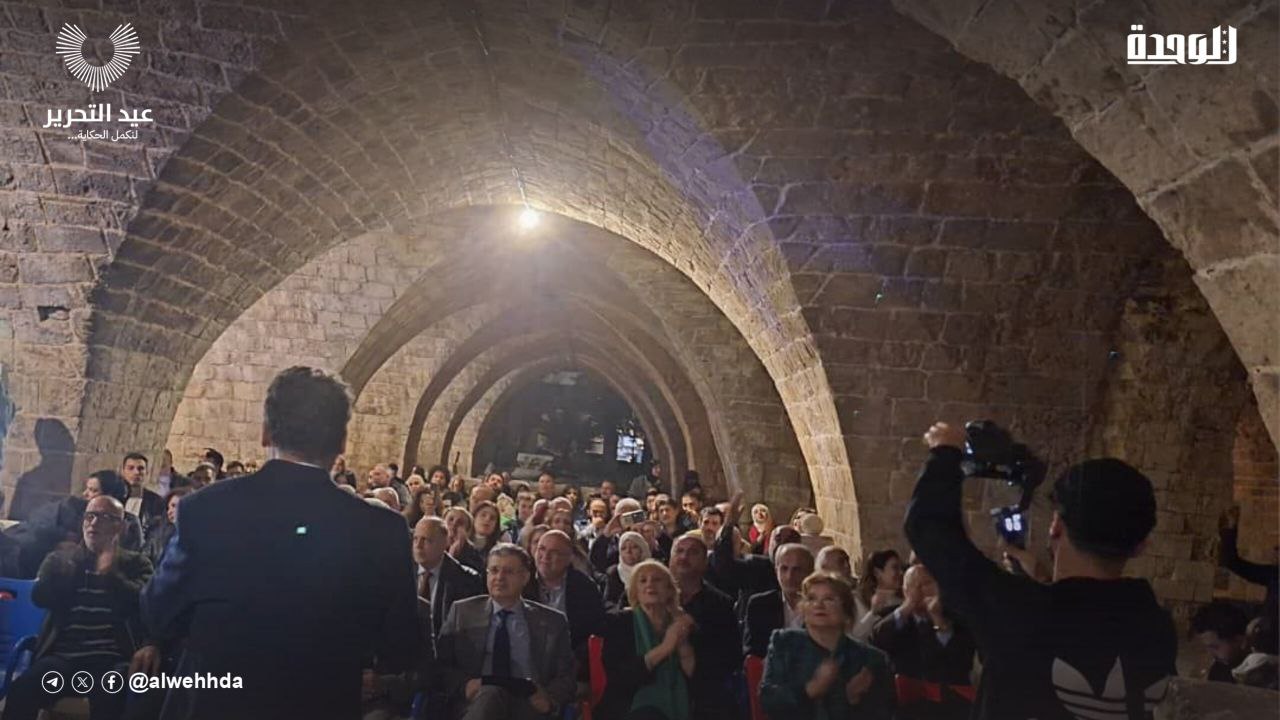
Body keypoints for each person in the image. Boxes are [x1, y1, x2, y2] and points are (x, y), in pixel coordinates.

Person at [142, 366, 421, 720]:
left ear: (265, 433)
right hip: (320, 705)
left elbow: (159, 610)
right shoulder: (382, 529)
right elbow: (400, 646)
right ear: (341, 443)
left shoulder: (205, 508)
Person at [905, 421, 1176, 720]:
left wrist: (945, 451)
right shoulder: (1157, 628)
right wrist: (1036, 582)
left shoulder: (1020, 612)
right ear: (1141, 546)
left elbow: (928, 528)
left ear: (1055, 527)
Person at [2, 496, 152, 720]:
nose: (93, 523)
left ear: (119, 526)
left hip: (111, 659)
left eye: (103, 517)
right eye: (89, 516)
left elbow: (142, 602)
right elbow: (40, 597)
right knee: (22, 690)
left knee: (111, 694)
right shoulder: (62, 559)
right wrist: (64, 571)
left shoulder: (136, 563)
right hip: (64, 658)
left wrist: (111, 574)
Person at [436, 544, 577, 719]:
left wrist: (549, 698)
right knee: (491, 694)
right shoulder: (462, 612)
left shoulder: (552, 621)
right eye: (494, 570)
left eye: (508, 572)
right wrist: (464, 685)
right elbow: (441, 665)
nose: (499, 578)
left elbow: (566, 676)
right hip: (476, 703)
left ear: (525, 577)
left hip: (527, 706)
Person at [760, 572, 894, 720]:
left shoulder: (872, 660)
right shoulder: (785, 643)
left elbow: (885, 714)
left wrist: (851, 699)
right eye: (811, 598)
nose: (818, 605)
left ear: (846, 612)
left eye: (829, 599)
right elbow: (768, 701)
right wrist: (811, 689)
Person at [870, 564, 976, 720]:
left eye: (926, 584)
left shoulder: (957, 619)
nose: (919, 590)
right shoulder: (893, 616)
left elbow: (962, 661)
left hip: (951, 705)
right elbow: (877, 639)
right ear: (905, 591)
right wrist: (907, 607)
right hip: (905, 707)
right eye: (913, 586)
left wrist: (938, 620)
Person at [597, 560, 696, 720]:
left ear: (669, 590)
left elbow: (694, 676)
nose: (650, 584)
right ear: (635, 592)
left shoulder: (683, 623)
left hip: (680, 701)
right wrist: (664, 648)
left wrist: (683, 643)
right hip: (628, 705)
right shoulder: (618, 623)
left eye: (657, 580)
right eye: (643, 581)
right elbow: (619, 678)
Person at [668, 533, 740, 720]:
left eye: (692, 552)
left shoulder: (721, 604)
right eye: (679, 551)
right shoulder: (651, 596)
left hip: (703, 689)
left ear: (705, 561)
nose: (684, 557)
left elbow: (729, 656)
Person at [529, 530, 606, 660]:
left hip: (572, 660)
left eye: (554, 552)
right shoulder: (522, 582)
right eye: (541, 549)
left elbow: (596, 631)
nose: (545, 556)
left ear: (568, 558)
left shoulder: (584, 587)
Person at [413, 516, 485, 641]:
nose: (418, 546)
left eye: (426, 540)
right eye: (415, 539)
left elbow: (466, 633)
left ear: (444, 543)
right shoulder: (399, 573)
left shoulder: (466, 579)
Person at [744, 543, 814, 658]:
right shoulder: (759, 605)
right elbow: (751, 652)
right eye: (784, 569)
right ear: (776, 571)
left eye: (797, 570)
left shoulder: (819, 607)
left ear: (810, 572)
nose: (789, 576)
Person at [1218, 506, 1278, 614]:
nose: (1274, 553)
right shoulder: (1273, 574)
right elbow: (1231, 562)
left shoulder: (1274, 575)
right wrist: (1230, 529)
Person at [82, 470, 145, 552]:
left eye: (93, 490)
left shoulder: (130, 523)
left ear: (110, 495)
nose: (85, 494)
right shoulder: (82, 516)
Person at [1190, 601, 1251, 683]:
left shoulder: (1256, 675)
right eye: (1207, 647)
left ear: (1241, 641)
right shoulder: (1218, 669)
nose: (1210, 653)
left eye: (1215, 647)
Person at [852, 550, 903, 641]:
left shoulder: (903, 600)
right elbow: (855, 636)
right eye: (895, 568)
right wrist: (872, 613)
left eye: (901, 568)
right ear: (877, 573)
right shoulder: (858, 600)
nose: (901, 573)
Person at [121, 452, 165, 539]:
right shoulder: (114, 498)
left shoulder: (156, 501)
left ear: (147, 472)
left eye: (140, 468)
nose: (136, 472)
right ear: (123, 471)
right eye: (131, 468)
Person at [142, 488, 190, 568]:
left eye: (175, 506)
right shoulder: (156, 529)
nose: (170, 511)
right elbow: (145, 558)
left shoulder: (196, 535)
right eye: (169, 507)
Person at [605, 531, 652, 610]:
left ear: (642, 549)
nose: (628, 551)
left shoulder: (652, 570)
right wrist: (621, 610)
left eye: (634, 547)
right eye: (623, 548)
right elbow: (609, 602)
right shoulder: (614, 572)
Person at [445, 506, 486, 574]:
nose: (454, 524)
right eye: (451, 519)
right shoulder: (434, 545)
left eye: (460, 522)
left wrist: (454, 554)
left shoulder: (473, 554)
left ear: (467, 531)